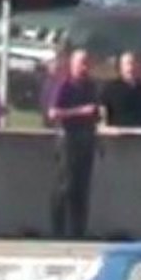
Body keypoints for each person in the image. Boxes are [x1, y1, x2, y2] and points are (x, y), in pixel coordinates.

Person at [48, 49, 101, 239]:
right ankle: (58, 230)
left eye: (87, 63)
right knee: (65, 185)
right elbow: (53, 113)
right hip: (68, 138)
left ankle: (79, 230)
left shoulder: (90, 86)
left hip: (86, 138)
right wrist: (80, 111)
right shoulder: (64, 85)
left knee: (82, 186)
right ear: (72, 64)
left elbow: (96, 113)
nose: (84, 67)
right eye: (81, 63)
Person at [99, 51, 141, 127]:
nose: (131, 68)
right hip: (117, 134)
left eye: (133, 64)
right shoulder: (110, 88)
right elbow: (103, 112)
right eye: (127, 64)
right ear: (121, 67)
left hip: (139, 134)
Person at [40, 47, 70, 128]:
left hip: (62, 122)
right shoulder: (48, 82)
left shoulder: (64, 81)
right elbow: (45, 102)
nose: (52, 65)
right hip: (49, 122)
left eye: (52, 62)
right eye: (49, 63)